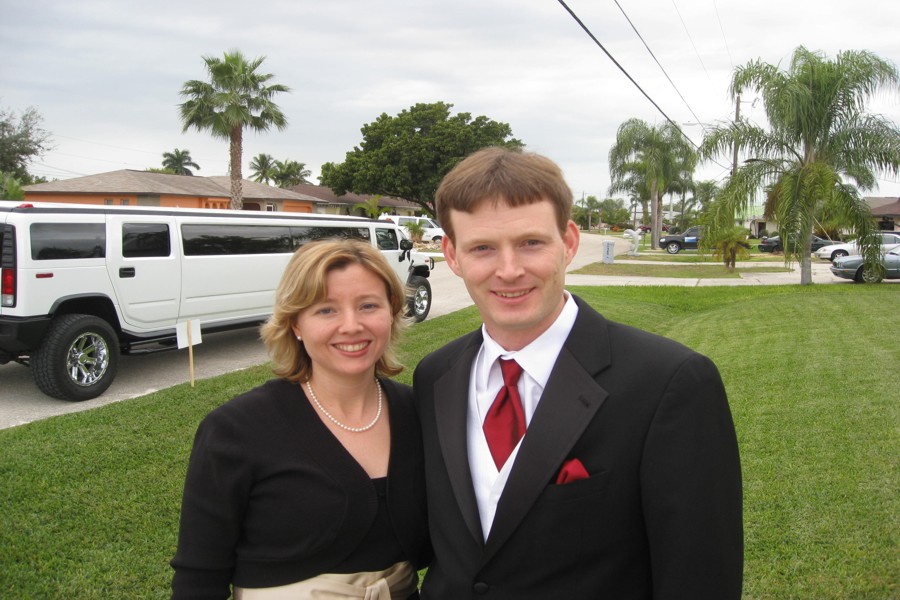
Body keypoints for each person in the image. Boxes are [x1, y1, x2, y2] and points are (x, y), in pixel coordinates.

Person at [413, 147, 743, 599]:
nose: (509, 271)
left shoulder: (670, 383)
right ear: (452, 255)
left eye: (531, 242)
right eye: (483, 248)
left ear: (567, 242)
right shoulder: (435, 376)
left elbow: (700, 577)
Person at [171, 239, 430, 599]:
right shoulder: (235, 431)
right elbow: (198, 579)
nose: (351, 326)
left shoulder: (420, 413)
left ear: (391, 312)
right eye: (326, 310)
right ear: (295, 323)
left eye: (368, 305)